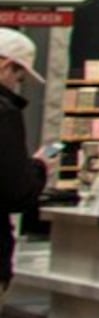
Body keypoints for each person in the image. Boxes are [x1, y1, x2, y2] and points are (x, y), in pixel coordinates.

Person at [0, 28, 43, 287]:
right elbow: (15, 192)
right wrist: (38, 168)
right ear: (6, 66)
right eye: (19, 78)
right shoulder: (4, 112)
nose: (17, 85)